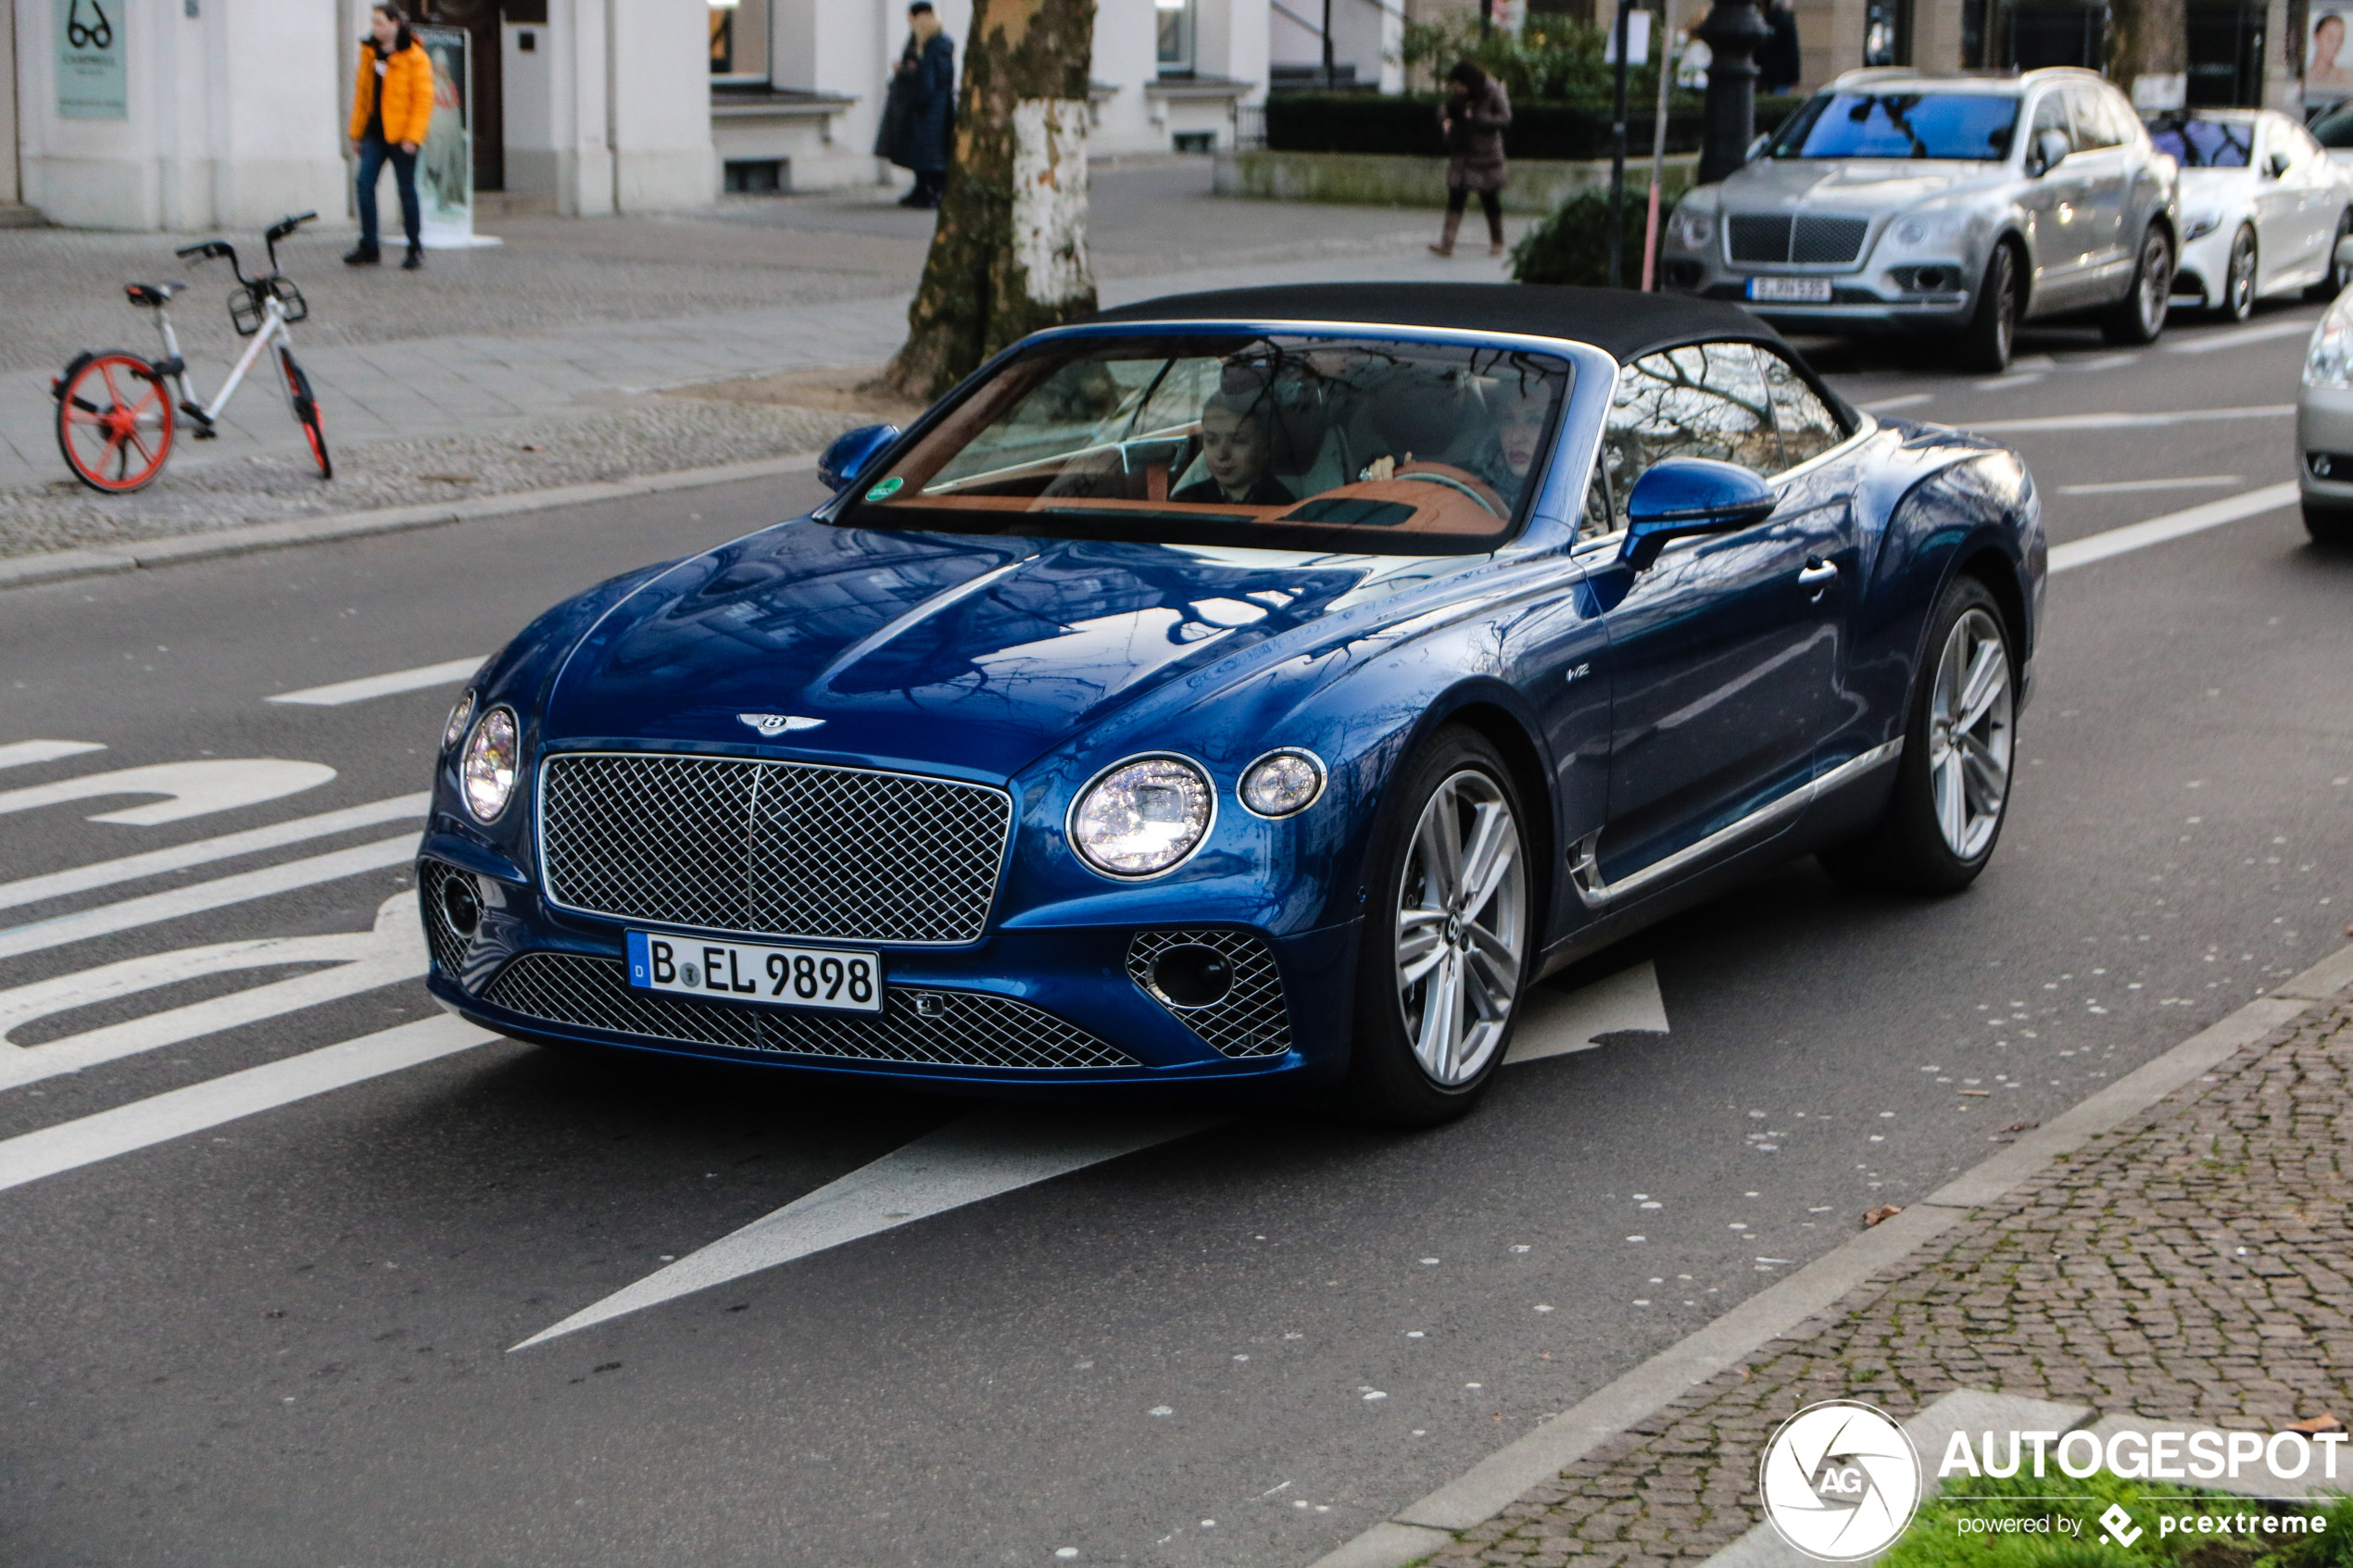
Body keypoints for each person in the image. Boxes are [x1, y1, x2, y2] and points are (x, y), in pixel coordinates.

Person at [346, 3, 432, 270]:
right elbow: (363, 96)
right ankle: (369, 244)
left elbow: (423, 100)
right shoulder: (370, 52)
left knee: (406, 192)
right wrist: (356, 132)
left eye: (380, 22)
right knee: (364, 184)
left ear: (395, 24)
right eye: (373, 22)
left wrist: (413, 137)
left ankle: (414, 247)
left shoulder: (414, 56)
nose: (375, 28)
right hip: (374, 134)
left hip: (402, 136)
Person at [877, 2, 956, 209]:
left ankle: (932, 193)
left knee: (930, 154)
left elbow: (928, 79)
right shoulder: (936, 44)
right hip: (936, 106)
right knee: (925, 154)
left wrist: (909, 77)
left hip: (928, 107)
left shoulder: (932, 46)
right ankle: (924, 190)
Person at [1432, 60, 1511, 259]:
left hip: (1486, 155)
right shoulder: (1461, 95)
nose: (1458, 89)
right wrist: (1445, 119)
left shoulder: (1493, 90)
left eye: (1461, 85)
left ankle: (1497, 241)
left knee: (1489, 198)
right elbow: (1446, 107)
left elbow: (1505, 117)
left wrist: (1477, 119)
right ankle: (1447, 244)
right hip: (1463, 152)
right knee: (1456, 196)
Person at [1173, 394, 1293, 506]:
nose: (1221, 454)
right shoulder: (1186, 501)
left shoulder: (1283, 506)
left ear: (1267, 446)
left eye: (1237, 441)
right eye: (1211, 440)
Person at [1757, 0, 1801, 94]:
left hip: (1765, 75)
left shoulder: (1764, 20)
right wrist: (1795, 77)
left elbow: (1758, 50)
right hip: (1783, 76)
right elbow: (1792, 51)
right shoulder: (1787, 21)